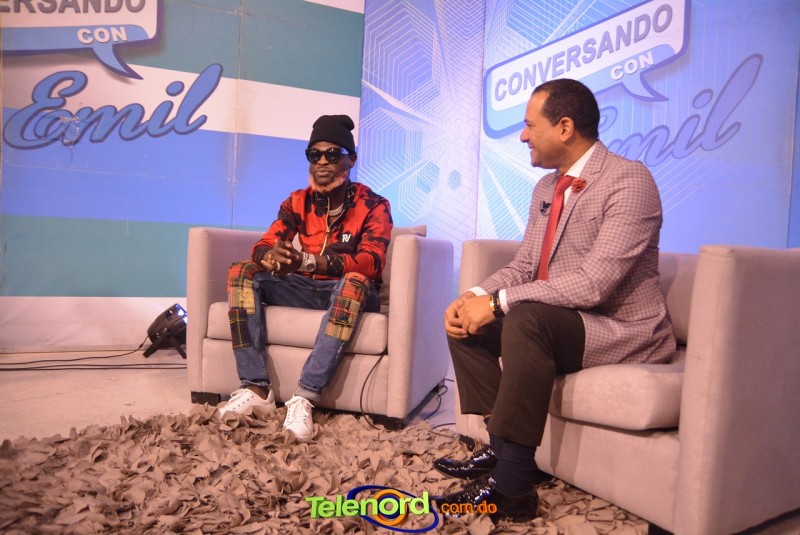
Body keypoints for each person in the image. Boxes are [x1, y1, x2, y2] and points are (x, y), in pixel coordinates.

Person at [433, 79, 675, 522]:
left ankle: (512, 491)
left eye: (530, 125)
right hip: (559, 319)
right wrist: (474, 296)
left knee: (523, 318)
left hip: (618, 329)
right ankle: (502, 452)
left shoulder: (629, 180)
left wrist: (499, 303)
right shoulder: (547, 187)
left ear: (564, 127)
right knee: (467, 321)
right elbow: (526, 266)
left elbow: (594, 285)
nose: (523, 136)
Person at [218, 114, 393, 443]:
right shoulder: (298, 201)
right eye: (315, 154)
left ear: (351, 160)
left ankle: (304, 397)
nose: (322, 161)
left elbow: (371, 262)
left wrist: (310, 262)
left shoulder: (374, 205)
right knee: (242, 271)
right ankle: (256, 387)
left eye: (333, 154)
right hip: (307, 287)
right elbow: (264, 243)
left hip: (353, 292)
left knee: (354, 281)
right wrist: (271, 257)